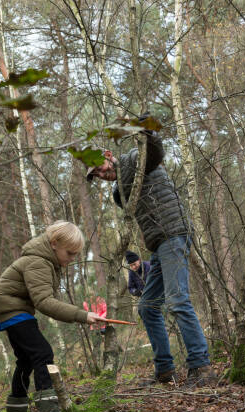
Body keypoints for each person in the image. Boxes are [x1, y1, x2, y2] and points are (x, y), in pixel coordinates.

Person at [86, 123, 217, 387]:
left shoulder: (135, 161)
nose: (102, 174)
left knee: (178, 300)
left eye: (101, 167)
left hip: (174, 233)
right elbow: (123, 199)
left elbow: (154, 153)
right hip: (158, 245)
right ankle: (165, 371)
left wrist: (148, 132)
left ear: (109, 154)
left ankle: (201, 366)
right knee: (147, 307)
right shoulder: (119, 191)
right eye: (97, 175)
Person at [0, 221, 105, 412]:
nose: (72, 259)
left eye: (76, 255)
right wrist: (82, 315)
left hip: (12, 309)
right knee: (42, 353)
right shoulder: (38, 262)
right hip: (12, 310)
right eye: (70, 253)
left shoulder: (47, 261)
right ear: (54, 243)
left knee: (25, 361)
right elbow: (44, 302)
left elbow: (49, 298)